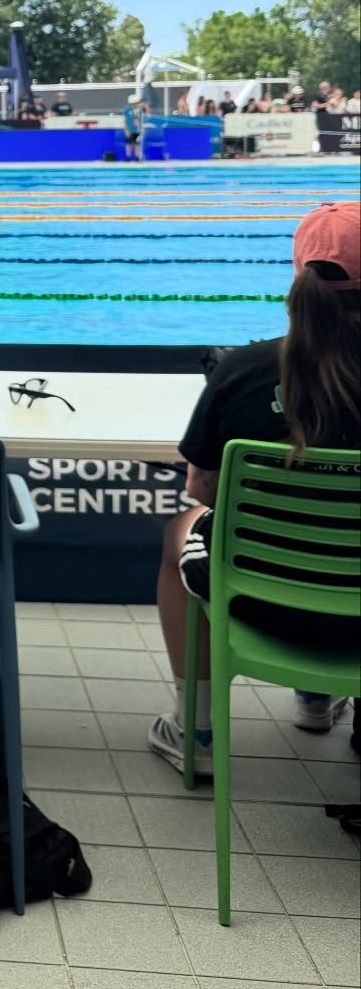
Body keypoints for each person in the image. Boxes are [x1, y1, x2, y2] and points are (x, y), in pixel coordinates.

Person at [148, 202, 361, 773]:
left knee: (182, 531)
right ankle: (319, 700)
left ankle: (198, 732)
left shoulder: (244, 369)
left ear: (298, 275)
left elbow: (206, 492)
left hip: (263, 603)